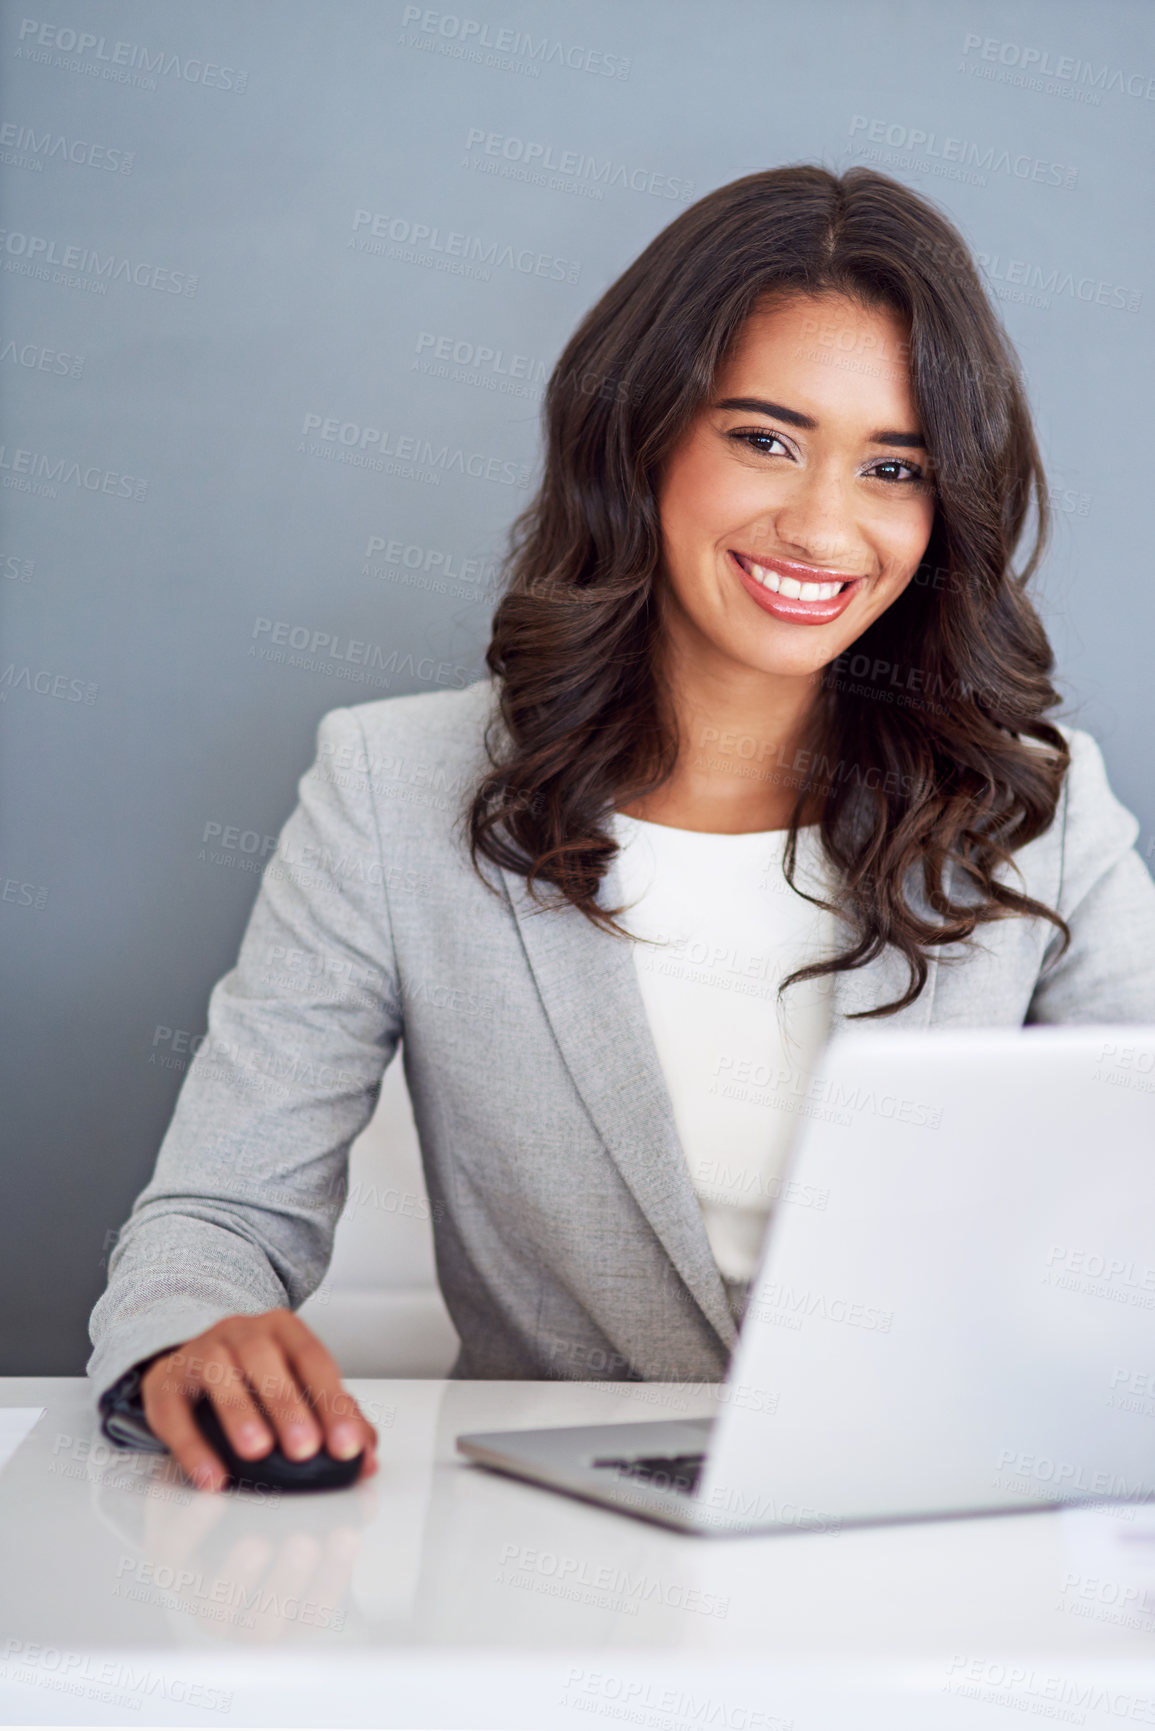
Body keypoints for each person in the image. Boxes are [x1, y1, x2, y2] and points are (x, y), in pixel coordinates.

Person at [88, 164, 1155, 1491]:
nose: (823, 523)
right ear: (643, 436)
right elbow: (215, 1217)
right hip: (553, 1565)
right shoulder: (389, 786)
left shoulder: (1037, 804)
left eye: (895, 468)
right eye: (765, 437)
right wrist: (193, 1340)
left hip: (941, 1544)